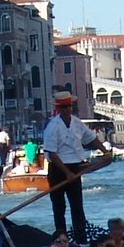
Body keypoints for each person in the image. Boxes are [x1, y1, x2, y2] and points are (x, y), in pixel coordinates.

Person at [40, 91, 107, 239]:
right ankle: (61, 238)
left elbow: (91, 138)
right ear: (59, 108)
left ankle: (81, 238)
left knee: (77, 206)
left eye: (69, 106)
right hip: (57, 170)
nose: (67, 109)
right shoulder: (52, 127)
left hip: (75, 168)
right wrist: (66, 172)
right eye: (64, 107)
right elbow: (52, 154)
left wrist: (105, 151)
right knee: (59, 207)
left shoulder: (77, 123)